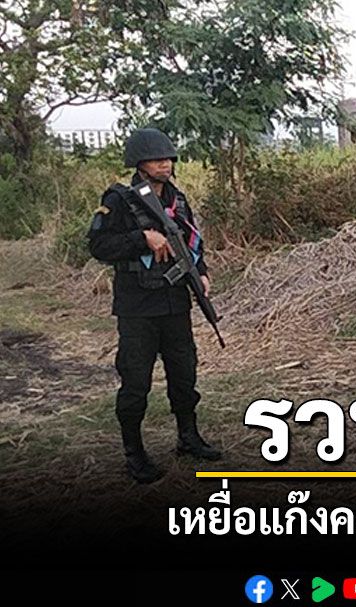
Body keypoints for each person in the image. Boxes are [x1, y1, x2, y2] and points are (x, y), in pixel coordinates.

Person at [87, 128, 221, 485]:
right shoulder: (119, 199)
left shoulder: (178, 199)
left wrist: (202, 272)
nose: (165, 163)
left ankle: (188, 437)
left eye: (168, 158)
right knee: (136, 382)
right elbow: (98, 245)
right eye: (156, 159)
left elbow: (192, 243)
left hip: (175, 302)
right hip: (137, 307)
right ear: (139, 163)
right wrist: (141, 238)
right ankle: (134, 453)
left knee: (184, 374)